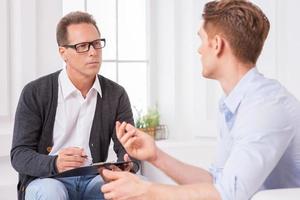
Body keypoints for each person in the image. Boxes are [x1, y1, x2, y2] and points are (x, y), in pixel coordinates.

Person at [99, 0, 300, 199]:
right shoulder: (233, 104)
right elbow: (217, 183)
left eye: (201, 39)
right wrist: (155, 156)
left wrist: (146, 190)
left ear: (217, 44)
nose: (199, 50)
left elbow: (229, 194)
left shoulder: (266, 106)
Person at [10, 11, 135, 200]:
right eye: (82, 46)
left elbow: (128, 148)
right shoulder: (35, 92)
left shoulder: (116, 94)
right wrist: (55, 164)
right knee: (51, 192)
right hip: (48, 179)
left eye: (96, 44)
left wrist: (129, 162)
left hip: (93, 178)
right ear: (63, 53)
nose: (93, 51)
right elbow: (19, 155)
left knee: (123, 187)